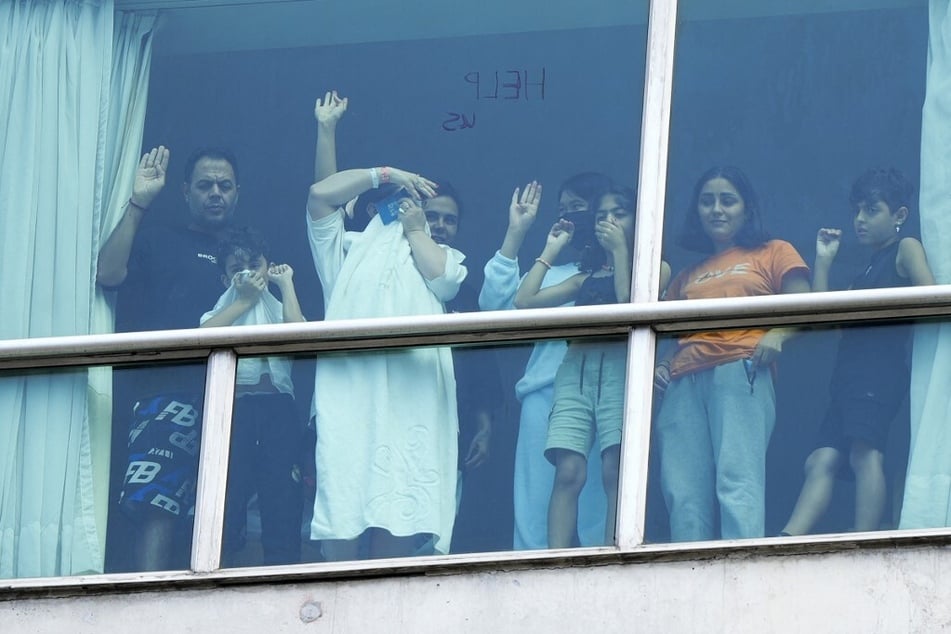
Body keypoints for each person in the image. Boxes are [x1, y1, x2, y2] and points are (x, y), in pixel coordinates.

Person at [306, 160, 467, 559]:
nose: (440, 224)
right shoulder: (345, 252)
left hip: (412, 403)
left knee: (401, 511)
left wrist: (416, 230)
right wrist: (389, 175)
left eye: (450, 219)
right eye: (431, 214)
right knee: (343, 509)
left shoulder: (448, 260)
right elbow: (320, 195)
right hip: (352, 401)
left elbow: (444, 279)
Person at [97, 146, 242, 571]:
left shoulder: (249, 249)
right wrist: (139, 202)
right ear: (185, 192)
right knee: (158, 507)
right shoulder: (161, 240)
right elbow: (108, 274)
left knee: (223, 515)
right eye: (205, 185)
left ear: (238, 193)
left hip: (238, 397)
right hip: (166, 391)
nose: (215, 193)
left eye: (224, 186)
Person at [653, 165, 810, 542]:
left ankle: (741, 574)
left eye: (727, 200)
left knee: (737, 478)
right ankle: (690, 578)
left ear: (746, 208)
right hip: (682, 380)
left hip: (740, 368)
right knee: (683, 490)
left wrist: (778, 334)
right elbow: (661, 328)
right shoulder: (688, 274)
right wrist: (659, 362)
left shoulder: (774, 251)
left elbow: (807, 303)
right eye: (707, 202)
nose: (716, 209)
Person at [780, 168, 934, 537]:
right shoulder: (863, 271)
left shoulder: (905, 249)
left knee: (864, 451)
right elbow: (822, 321)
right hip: (848, 379)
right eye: (857, 211)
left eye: (871, 210)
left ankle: (865, 540)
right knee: (822, 457)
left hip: (880, 373)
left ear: (898, 216)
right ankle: (788, 537)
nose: (860, 220)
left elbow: (932, 296)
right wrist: (824, 261)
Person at [515, 186, 669, 547]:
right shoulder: (585, 276)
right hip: (575, 369)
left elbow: (629, 305)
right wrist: (551, 249)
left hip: (620, 369)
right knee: (568, 470)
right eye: (602, 215)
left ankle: (614, 550)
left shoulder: (655, 267)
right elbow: (524, 300)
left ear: (638, 219)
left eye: (620, 213)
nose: (610, 220)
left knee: (615, 469)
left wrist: (619, 250)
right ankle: (554, 559)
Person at [479, 173, 614, 550]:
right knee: (537, 502)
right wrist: (516, 233)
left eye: (580, 208)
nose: (571, 217)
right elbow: (494, 309)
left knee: (600, 506)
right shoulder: (552, 274)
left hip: (606, 390)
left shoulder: (626, 273)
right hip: (545, 392)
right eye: (564, 210)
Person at [200, 226, 306, 565]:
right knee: (230, 491)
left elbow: (299, 334)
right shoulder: (222, 308)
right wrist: (243, 300)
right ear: (224, 278)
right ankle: (221, 564)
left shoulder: (276, 307)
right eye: (236, 268)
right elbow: (202, 336)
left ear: (268, 266)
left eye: (254, 265)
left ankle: (283, 566)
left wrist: (286, 283)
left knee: (282, 493)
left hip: (278, 411)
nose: (247, 273)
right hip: (236, 411)